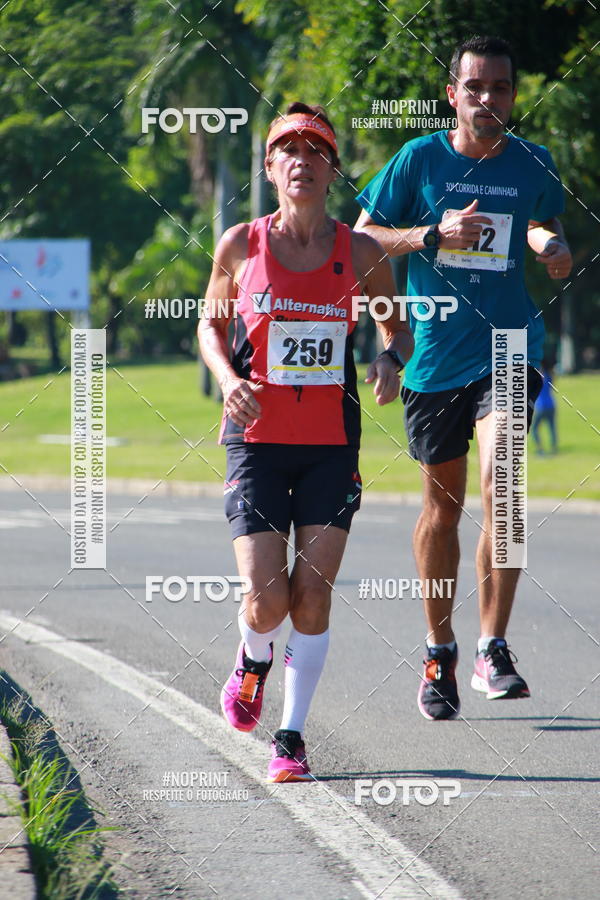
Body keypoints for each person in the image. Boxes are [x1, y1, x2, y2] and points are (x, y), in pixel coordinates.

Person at [355, 36, 572, 720]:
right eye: (475, 87)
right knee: (441, 510)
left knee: (503, 481)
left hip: (509, 343)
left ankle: (493, 646)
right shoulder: (419, 160)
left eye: (501, 88)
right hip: (433, 358)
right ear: (453, 94)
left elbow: (539, 221)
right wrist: (429, 235)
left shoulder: (532, 161)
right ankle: (439, 649)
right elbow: (360, 241)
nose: (488, 100)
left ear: (513, 96)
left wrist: (550, 244)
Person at [199, 102, 413, 778]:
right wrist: (228, 375)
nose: (301, 160)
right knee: (268, 599)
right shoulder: (240, 245)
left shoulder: (363, 251)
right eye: (287, 150)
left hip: (329, 443)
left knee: (312, 594)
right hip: (256, 439)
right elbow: (209, 325)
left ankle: (290, 736)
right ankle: (253, 659)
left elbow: (396, 326)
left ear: (331, 169)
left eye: (315, 150)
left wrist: (389, 359)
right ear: (269, 168)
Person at [531, 361, 557, 454]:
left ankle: (540, 449)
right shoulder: (548, 376)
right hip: (551, 405)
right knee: (552, 428)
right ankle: (554, 448)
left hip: (541, 406)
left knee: (534, 429)